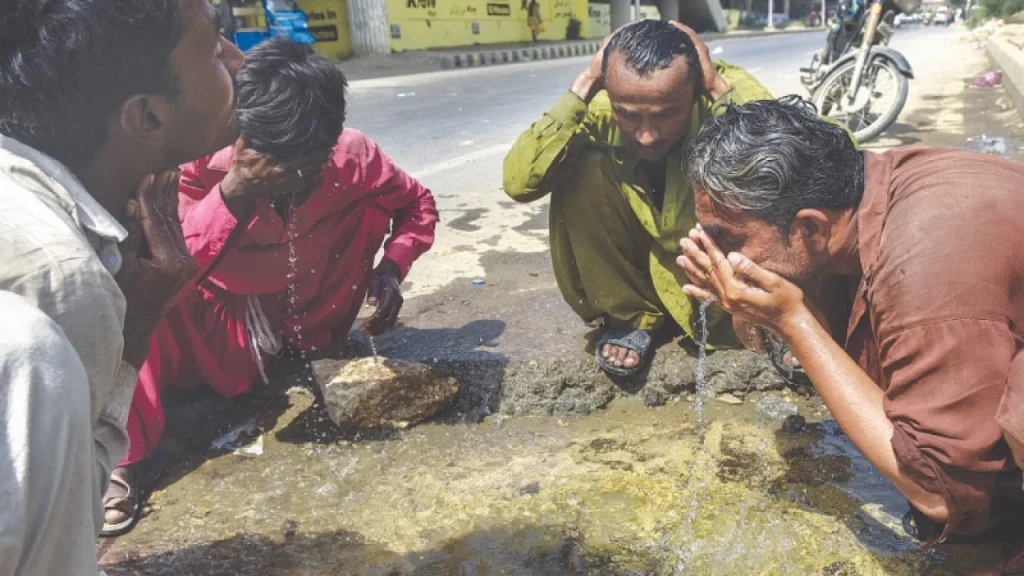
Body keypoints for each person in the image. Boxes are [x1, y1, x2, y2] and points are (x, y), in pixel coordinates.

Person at [101, 38, 439, 534]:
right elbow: (167, 266)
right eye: (276, 168)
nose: (293, 182)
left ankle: (309, 343)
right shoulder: (193, 160)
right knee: (136, 293)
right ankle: (121, 456)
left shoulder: (354, 157)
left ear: (331, 142)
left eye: (309, 166)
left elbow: (418, 205)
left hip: (313, 310)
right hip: (222, 318)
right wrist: (235, 191)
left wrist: (392, 267)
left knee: (369, 207)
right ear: (241, 139)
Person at [678, 97, 1024, 549]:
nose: (712, 253)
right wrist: (756, 312)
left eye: (726, 238)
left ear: (810, 229)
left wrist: (793, 322)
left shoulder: (924, 270)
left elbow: (942, 493)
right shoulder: (872, 191)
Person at [0, 0, 244, 573]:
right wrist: (134, 331)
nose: (236, 60)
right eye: (213, 51)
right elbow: (56, 537)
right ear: (147, 119)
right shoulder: (62, 282)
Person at [503, 19, 771, 377]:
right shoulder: (602, 105)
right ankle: (632, 316)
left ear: (694, 90)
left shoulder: (723, 90)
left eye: (666, 115)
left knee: (770, 169)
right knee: (580, 166)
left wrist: (717, 89)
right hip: (650, 277)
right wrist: (585, 84)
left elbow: (810, 163)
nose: (646, 136)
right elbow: (520, 182)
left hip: (729, 294)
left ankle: (769, 319)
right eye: (628, 115)